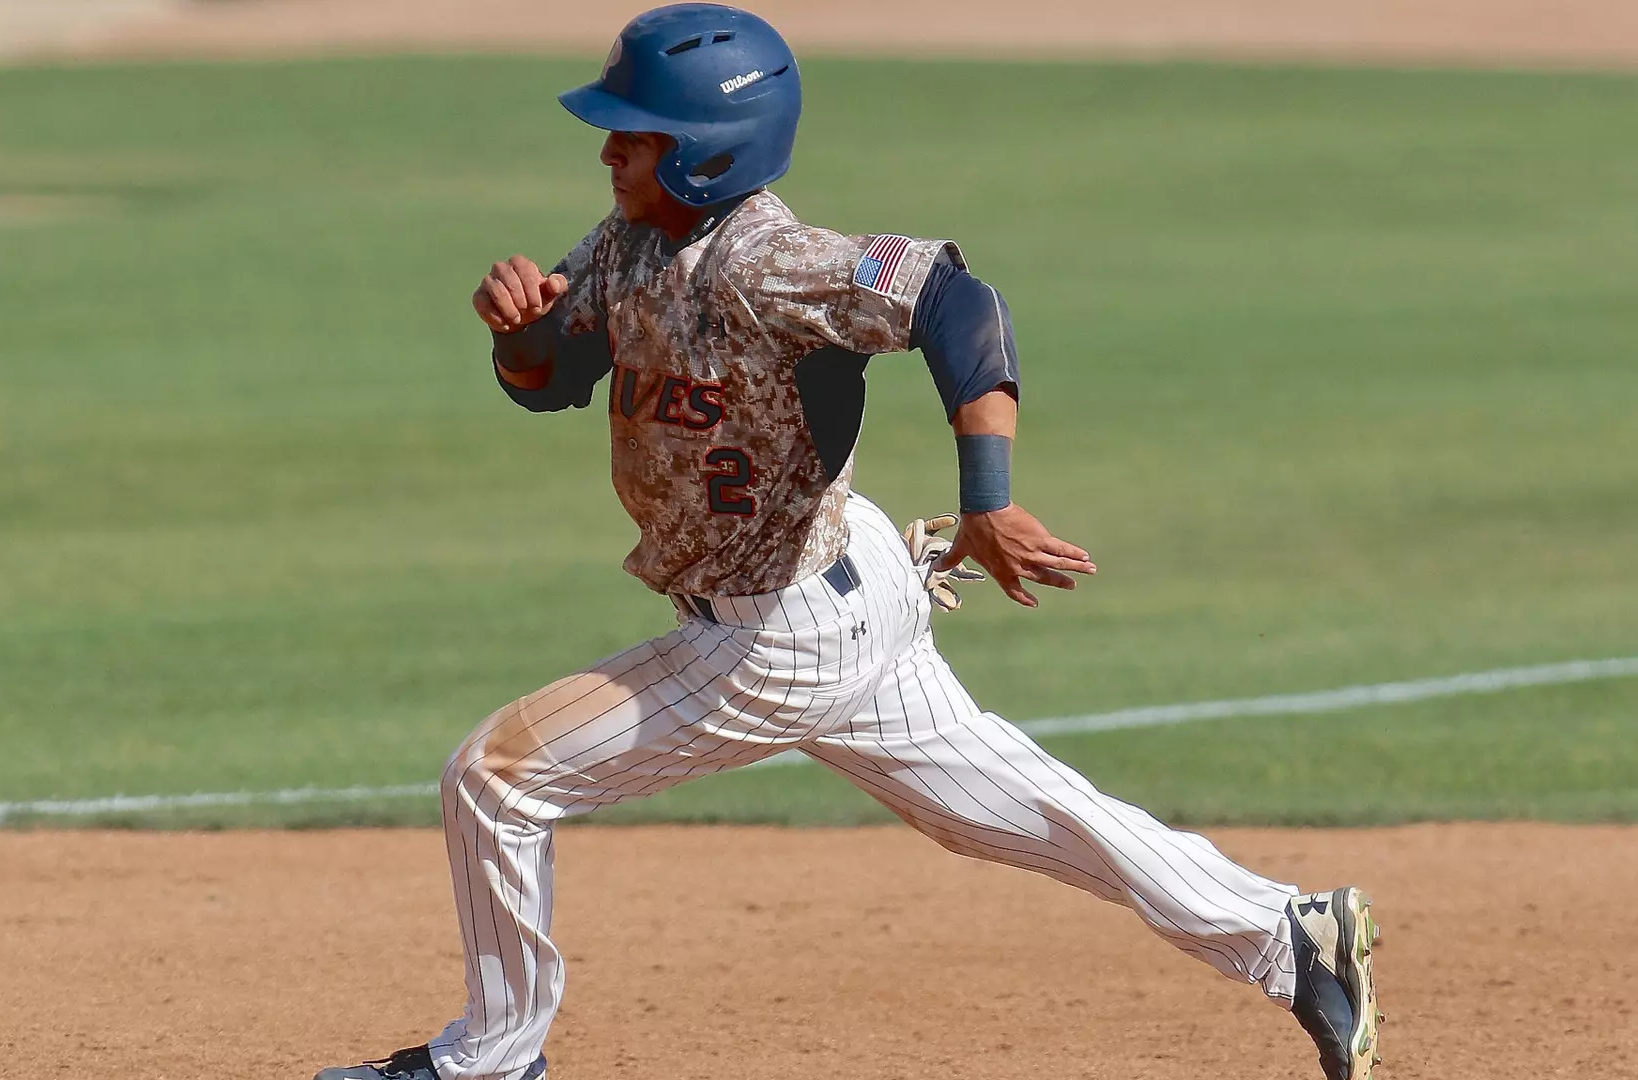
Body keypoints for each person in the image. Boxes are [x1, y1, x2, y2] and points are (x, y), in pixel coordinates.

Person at [317, 6, 1381, 1080]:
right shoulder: (628, 245)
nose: (605, 150)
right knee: (1017, 812)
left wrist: (989, 499)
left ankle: (492, 1062)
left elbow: (957, 302)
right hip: (848, 592)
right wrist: (522, 338)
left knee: (497, 777)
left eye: (630, 135)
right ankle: (1286, 934)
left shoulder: (775, 263)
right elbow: (556, 384)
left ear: (702, 152)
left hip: (771, 639)